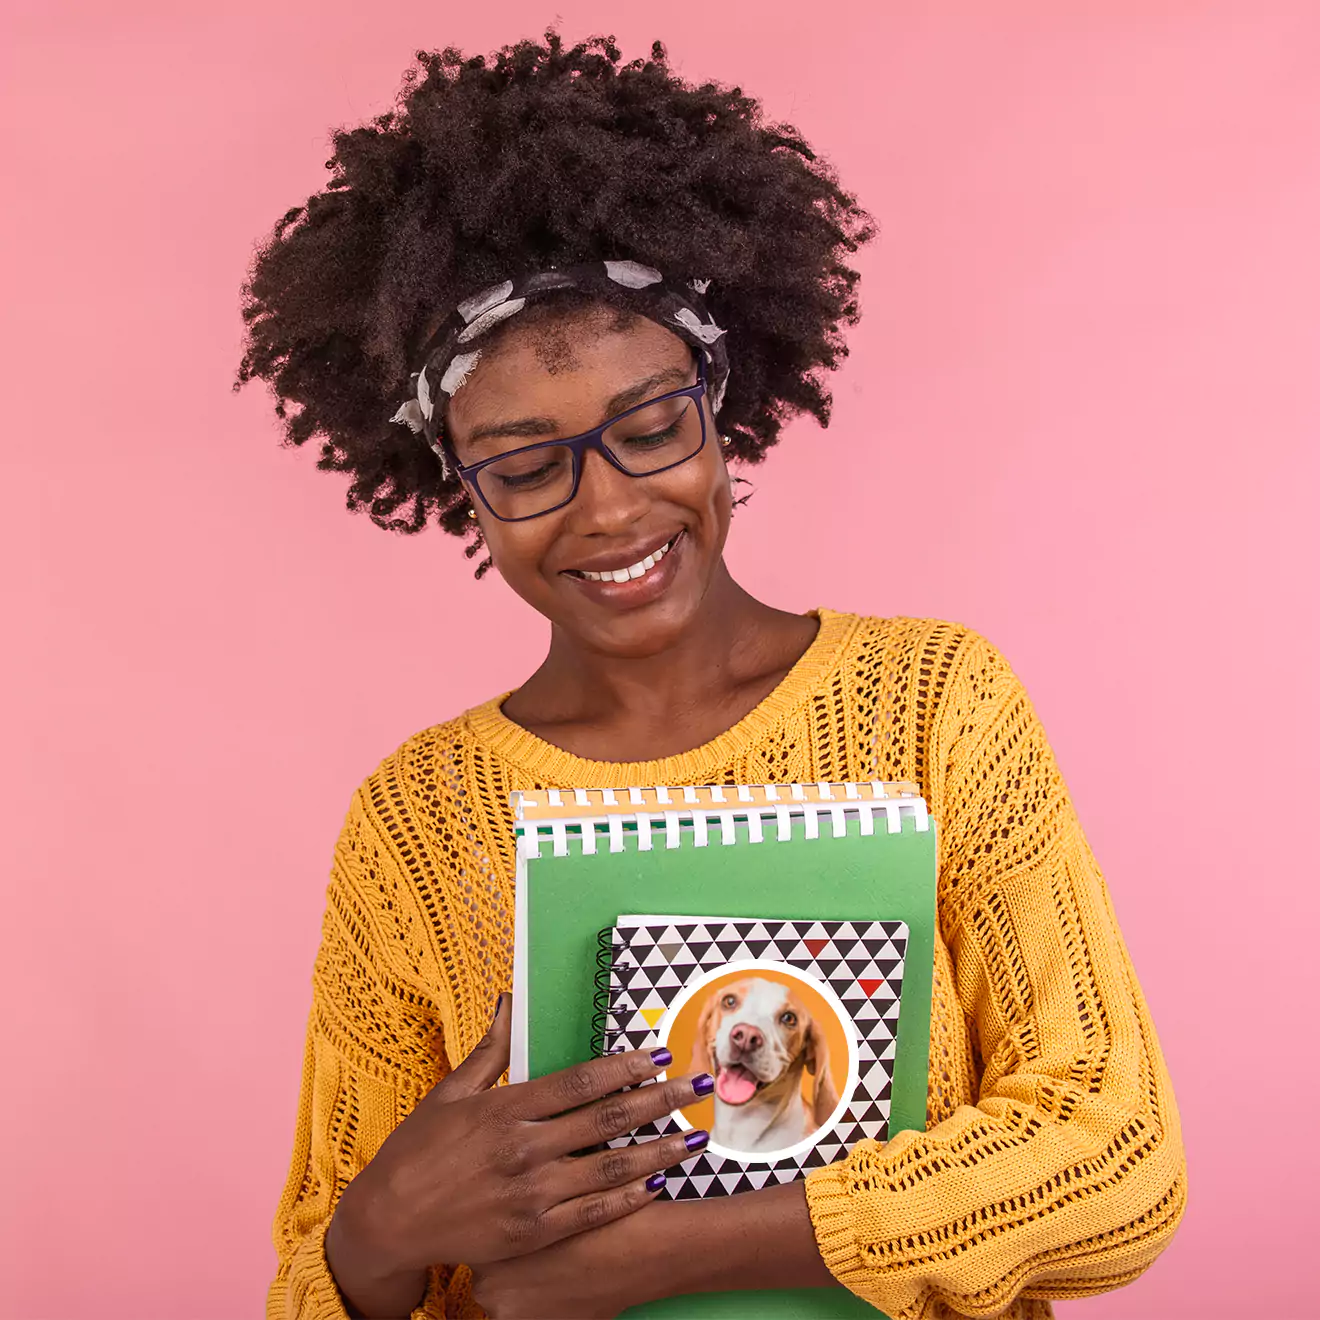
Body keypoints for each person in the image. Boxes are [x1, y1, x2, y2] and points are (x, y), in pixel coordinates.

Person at [237, 32, 1186, 1320]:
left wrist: (666, 1251)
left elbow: (1114, 1156)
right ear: (458, 490)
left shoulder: (934, 703)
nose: (610, 507)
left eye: (648, 428)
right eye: (524, 465)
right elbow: (317, 1280)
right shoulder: (419, 820)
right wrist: (378, 1235)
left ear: (719, 405)